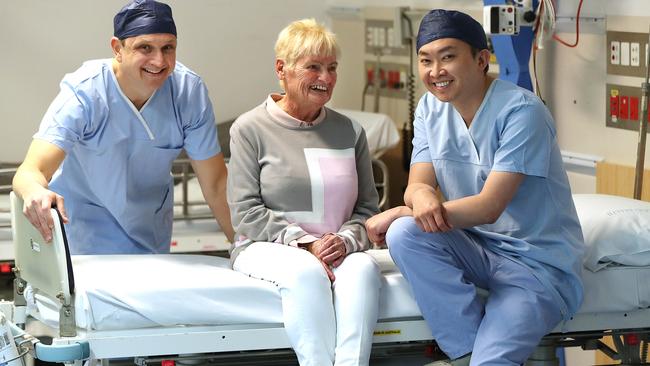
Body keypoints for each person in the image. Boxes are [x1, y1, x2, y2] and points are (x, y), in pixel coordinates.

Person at [365, 9, 585, 366]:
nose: (435, 71)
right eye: (426, 60)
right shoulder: (429, 109)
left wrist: (407, 209)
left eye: (448, 57)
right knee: (405, 233)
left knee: (491, 361)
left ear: (482, 60)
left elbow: (489, 207)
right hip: (476, 247)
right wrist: (417, 199)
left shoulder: (522, 112)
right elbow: (418, 184)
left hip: (533, 264)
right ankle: (467, 351)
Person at [12, 0, 234, 254]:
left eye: (168, 48)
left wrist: (243, 247)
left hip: (148, 236)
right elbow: (31, 170)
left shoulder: (187, 93)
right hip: (79, 236)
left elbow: (216, 185)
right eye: (145, 48)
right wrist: (35, 192)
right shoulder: (86, 92)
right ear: (118, 48)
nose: (159, 60)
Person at [227, 18, 381, 366]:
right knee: (305, 272)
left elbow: (368, 208)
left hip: (338, 248)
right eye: (313, 67)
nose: (325, 78)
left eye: (331, 68)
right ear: (282, 69)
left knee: (363, 272)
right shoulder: (251, 129)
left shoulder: (349, 131)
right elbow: (244, 211)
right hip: (265, 246)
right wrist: (306, 244)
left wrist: (344, 241)